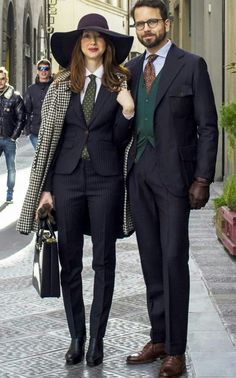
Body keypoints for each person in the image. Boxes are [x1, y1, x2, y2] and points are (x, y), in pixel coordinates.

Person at [17, 14, 134, 367]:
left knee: (103, 261)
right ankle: (76, 337)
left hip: (105, 180)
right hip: (66, 180)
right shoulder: (61, 84)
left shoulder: (120, 84)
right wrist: (47, 189)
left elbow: (117, 141)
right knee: (70, 262)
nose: (92, 41)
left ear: (107, 45)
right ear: (78, 44)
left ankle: (98, 338)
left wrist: (127, 112)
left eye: (98, 36)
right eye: (86, 36)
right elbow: (51, 142)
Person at [125, 1, 218, 377]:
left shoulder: (191, 65)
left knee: (173, 260)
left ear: (167, 22)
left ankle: (176, 350)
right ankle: (159, 337)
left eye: (152, 22)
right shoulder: (130, 69)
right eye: (140, 24)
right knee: (150, 259)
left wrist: (202, 178)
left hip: (176, 179)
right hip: (140, 174)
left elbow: (208, 126)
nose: (147, 29)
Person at [0, 67, 25, 203]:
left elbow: (22, 119)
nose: (0, 81)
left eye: (2, 78)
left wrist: (13, 137)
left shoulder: (15, 96)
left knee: (11, 168)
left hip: (9, 139)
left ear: (7, 79)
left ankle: (10, 193)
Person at [24, 59, 53, 149]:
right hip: (35, 132)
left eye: (46, 69)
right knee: (40, 159)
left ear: (50, 71)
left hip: (52, 131)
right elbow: (26, 111)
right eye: (41, 68)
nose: (43, 71)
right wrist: (27, 130)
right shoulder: (31, 89)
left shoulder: (56, 87)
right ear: (37, 71)